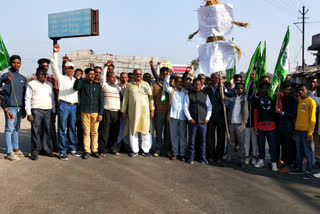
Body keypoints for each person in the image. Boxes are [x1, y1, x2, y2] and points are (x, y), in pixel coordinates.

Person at [51, 44, 79, 160]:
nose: (70, 70)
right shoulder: (61, 78)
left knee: (72, 128)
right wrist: (56, 53)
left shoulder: (76, 80)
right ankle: (62, 151)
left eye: (72, 68)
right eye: (68, 68)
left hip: (74, 106)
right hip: (63, 105)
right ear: (65, 69)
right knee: (62, 128)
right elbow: (54, 66)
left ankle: (72, 148)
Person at [121, 69, 155, 158]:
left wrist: (152, 110)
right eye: (137, 74)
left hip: (145, 112)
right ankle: (135, 150)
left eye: (140, 74)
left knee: (146, 131)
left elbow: (151, 98)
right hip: (133, 112)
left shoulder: (146, 84)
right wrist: (123, 111)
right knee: (133, 131)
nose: (138, 75)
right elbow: (125, 100)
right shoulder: (129, 85)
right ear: (134, 75)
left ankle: (146, 150)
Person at [25, 67, 55, 160]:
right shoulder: (31, 84)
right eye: (39, 74)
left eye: (43, 74)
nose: (41, 76)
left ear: (46, 75)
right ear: (36, 74)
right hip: (36, 110)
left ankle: (46, 150)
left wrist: (53, 111)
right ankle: (34, 151)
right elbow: (27, 99)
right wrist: (29, 113)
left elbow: (53, 99)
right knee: (35, 132)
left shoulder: (49, 84)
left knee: (47, 131)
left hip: (48, 110)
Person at [0, 55, 27, 161]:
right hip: (10, 107)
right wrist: (6, 81)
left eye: (18, 63)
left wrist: (24, 109)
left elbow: (25, 95)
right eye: (14, 62)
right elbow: (0, 92)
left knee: (16, 129)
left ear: (20, 64)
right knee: (9, 129)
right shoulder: (5, 76)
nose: (16, 64)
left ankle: (16, 149)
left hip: (19, 108)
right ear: (10, 63)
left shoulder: (22, 78)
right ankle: (9, 152)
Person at [73, 68, 104, 159]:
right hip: (84, 111)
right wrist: (78, 79)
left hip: (95, 111)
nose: (92, 76)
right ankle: (86, 150)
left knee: (95, 132)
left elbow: (101, 101)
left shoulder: (97, 86)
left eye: (93, 74)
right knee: (86, 132)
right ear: (86, 75)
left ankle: (95, 150)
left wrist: (100, 113)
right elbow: (76, 88)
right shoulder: (82, 83)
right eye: (90, 74)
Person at [289, 84, 316, 179]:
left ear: (307, 90)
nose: (300, 92)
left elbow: (313, 119)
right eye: (299, 90)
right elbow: (298, 117)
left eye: (302, 90)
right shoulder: (300, 101)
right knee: (299, 151)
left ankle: (308, 171)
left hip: (306, 132)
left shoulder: (311, 102)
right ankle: (298, 169)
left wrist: (310, 133)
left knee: (308, 152)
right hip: (298, 131)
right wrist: (295, 130)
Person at [32, 58, 59, 152]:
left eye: (47, 66)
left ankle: (55, 146)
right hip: (37, 109)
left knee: (50, 129)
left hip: (49, 109)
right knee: (39, 130)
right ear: (39, 66)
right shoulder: (34, 80)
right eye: (43, 66)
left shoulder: (52, 79)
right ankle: (42, 148)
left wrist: (55, 111)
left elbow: (55, 96)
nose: (45, 68)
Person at [184, 78, 212, 164]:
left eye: (199, 84)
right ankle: (191, 157)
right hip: (193, 122)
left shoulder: (205, 95)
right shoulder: (188, 95)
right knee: (191, 141)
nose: (197, 86)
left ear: (201, 85)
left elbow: (209, 107)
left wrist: (207, 118)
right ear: (193, 86)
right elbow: (185, 107)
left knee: (202, 142)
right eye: (195, 84)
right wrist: (189, 118)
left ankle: (203, 158)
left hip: (203, 122)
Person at [253, 82, 278, 171]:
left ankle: (274, 162)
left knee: (272, 145)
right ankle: (261, 160)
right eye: (263, 88)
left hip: (272, 126)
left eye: (267, 88)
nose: (265, 90)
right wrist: (255, 127)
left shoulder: (274, 99)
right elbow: (255, 114)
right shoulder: (257, 100)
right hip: (260, 126)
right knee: (261, 144)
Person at [98, 65, 121, 156]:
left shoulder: (117, 87)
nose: (114, 79)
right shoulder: (104, 85)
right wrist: (106, 67)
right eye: (112, 77)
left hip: (116, 112)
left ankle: (113, 148)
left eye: (115, 77)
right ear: (107, 78)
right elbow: (102, 77)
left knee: (114, 132)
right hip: (107, 111)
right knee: (105, 132)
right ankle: (103, 150)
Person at [164, 74, 187, 161]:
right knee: (174, 136)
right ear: (175, 83)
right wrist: (168, 75)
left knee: (183, 136)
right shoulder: (171, 90)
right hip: (173, 116)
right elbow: (166, 85)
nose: (180, 83)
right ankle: (175, 153)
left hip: (183, 117)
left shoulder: (186, 92)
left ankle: (182, 154)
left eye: (181, 82)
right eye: (178, 82)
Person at [275, 81, 297, 173]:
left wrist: (282, 113)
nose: (286, 91)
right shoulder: (283, 98)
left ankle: (287, 165)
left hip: (289, 126)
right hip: (281, 126)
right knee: (283, 145)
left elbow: (294, 115)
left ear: (291, 89)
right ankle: (283, 161)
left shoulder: (293, 100)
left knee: (288, 146)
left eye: (288, 89)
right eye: (285, 89)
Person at [225, 82, 248, 167]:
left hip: (240, 124)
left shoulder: (245, 97)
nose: (239, 89)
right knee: (230, 142)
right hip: (232, 122)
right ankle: (229, 157)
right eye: (238, 88)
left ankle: (241, 159)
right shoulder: (233, 98)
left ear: (243, 89)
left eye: (241, 88)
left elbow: (251, 91)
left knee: (241, 143)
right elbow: (225, 97)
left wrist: (252, 80)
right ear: (235, 89)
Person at [205, 73, 226, 164]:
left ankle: (219, 156)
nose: (214, 79)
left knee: (221, 137)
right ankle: (211, 155)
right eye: (212, 77)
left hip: (221, 115)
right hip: (210, 116)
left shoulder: (223, 89)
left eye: (216, 78)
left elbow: (228, 100)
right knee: (210, 136)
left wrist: (225, 102)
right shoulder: (207, 90)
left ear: (219, 79)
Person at [152, 67, 171, 157]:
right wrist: (153, 109)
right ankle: (158, 149)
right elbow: (151, 99)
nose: (164, 75)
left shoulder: (171, 85)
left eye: (166, 74)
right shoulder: (155, 85)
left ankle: (167, 149)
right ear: (160, 74)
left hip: (169, 112)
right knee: (158, 132)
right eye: (163, 74)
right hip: (159, 111)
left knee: (168, 132)